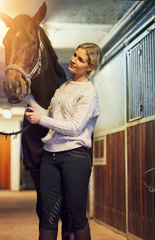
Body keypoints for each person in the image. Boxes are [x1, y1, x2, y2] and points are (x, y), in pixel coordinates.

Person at [25, 42, 102, 240]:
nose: (74, 60)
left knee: (77, 216)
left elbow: (75, 127)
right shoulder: (64, 87)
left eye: (81, 59)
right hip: (50, 157)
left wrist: (42, 119)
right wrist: (28, 97)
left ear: (90, 67)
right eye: (75, 55)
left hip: (74, 158)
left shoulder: (88, 92)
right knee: (47, 216)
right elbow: (51, 117)